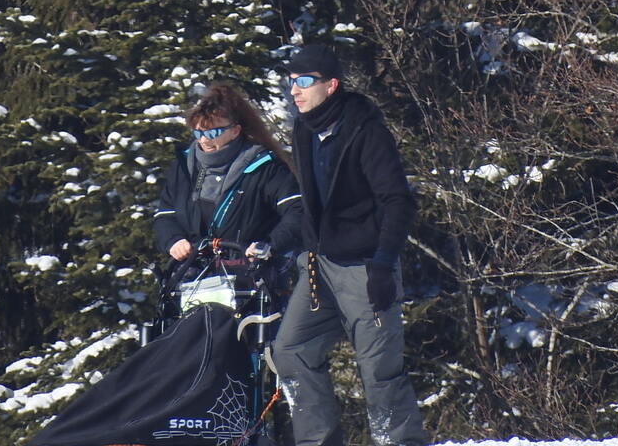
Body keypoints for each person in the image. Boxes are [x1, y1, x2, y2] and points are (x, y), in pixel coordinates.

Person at [272, 44, 426, 446]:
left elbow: (398, 200)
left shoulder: (365, 130)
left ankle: (399, 442)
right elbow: (311, 203)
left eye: (304, 82)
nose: (295, 91)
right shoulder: (303, 131)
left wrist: (382, 262)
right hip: (320, 264)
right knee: (291, 350)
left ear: (331, 84)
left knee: (378, 368)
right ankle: (317, 441)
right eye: (291, 83)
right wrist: (290, 245)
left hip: (365, 266)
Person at [153, 82, 302, 268]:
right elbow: (165, 214)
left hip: (250, 273)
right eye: (198, 132)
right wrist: (173, 241)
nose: (204, 139)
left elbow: (297, 211)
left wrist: (269, 245)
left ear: (235, 131)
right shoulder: (184, 166)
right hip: (194, 273)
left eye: (213, 132)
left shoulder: (264, 166)